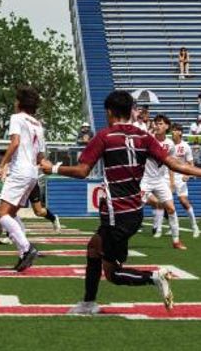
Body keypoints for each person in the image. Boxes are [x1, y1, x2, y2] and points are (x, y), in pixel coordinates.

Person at [40, 90, 201, 314]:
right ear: (129, 111)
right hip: (134, 211)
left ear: (109, 112)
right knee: (95, 250)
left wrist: (53, 168)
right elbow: (176, 165)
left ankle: (152, 278)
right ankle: (89, 302)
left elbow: (83, 170)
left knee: (111, 271)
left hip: (117, 212)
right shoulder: (145, 138)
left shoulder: (105, 137)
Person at [0, 87, 43, 271]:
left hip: (20, 171)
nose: (14, 103)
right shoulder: (38, 124)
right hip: (32, 172)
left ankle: (27, 248)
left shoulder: (17, 118)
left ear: (20, 103)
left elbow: (14, 142)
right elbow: (41, 155)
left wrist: (2, 165)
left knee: (2, 214)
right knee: (12, 214)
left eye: (16, 100)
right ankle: (23, 253)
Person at [140, 114, 186, 250]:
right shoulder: (148, 139)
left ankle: (176, 241)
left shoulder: (170, 144)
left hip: (160, 181)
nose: (157, 126)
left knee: (171, 208)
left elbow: (171, 164)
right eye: (156, 123)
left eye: (160, 123)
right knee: (133, 207)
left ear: (167, 126)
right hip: (145, 180)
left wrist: (171, 182)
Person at [169, 123, 199, 238]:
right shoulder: (169, 145)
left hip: (181, 176)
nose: (172, 132)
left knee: (183, 201)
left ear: (180, 132)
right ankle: (173, 227)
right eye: (172, 130)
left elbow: (191, 163)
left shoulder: (185, 146)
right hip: (169, 176)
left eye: (175, 130)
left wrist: (188, 175)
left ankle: (194, 226)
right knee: (167, 202)